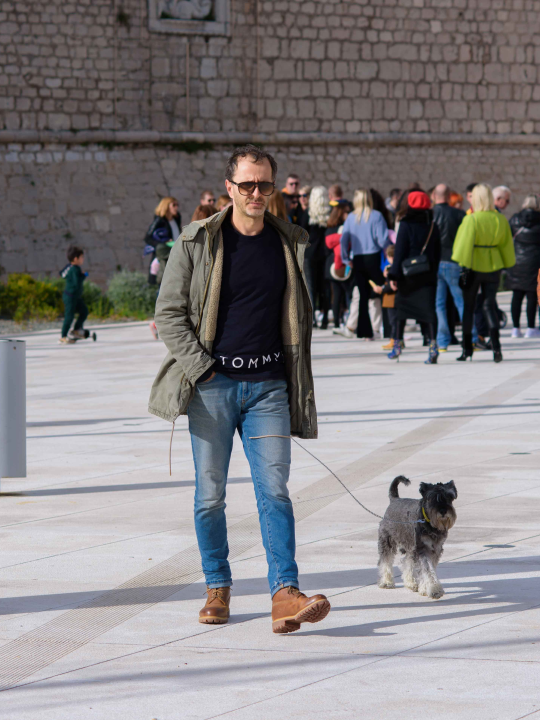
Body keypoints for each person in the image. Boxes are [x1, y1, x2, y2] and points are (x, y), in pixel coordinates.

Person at [149, 144, 329, 633]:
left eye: (264, 185)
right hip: (214, 387)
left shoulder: (288, 241)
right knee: (210, 496)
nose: (256, 193)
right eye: (247, 184)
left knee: (275, 490)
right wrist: (203, 370)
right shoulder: (197, 240)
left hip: (268, 387)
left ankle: (284, 593)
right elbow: (168, 314)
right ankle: (217, 585)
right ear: (229, 187)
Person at [451, 183, 514, 363]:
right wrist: (507, 263)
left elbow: (462, 246)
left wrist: (463, 263)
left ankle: (466, 350)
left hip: (473, 265)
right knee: (489, 306)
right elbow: (506, 244)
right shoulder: (499, 219)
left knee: (469, 308)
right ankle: (497, 349)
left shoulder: (471, 219)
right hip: (494, 265)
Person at [385, 190, 440, 363]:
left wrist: (393, 275)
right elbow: (437, 253)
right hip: (427, 275)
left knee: (401, 310)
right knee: (429, 311)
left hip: (407, 275)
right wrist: (432, 271)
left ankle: (397, 345)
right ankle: (433, 347)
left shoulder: (405, 224)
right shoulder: (432, 225)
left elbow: (399, 251)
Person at [338, 189, 391, 339]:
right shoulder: (376, 216)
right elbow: (382, 240)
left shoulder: (350, 218)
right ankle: (387, 329)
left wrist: (345, 259)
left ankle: (364, 331)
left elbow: (343, 241)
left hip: (358, 259)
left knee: (363, 296)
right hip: (373, 257)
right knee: (382, 293)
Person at [431, 184, 466, 351]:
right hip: (453, 260)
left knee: (439, 304)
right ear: (449, 195)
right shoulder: (459, 214)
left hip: (435, 262)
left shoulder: (430, 214)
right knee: (461, 301)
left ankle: (442, 341)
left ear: (434, 196)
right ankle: (471, 337)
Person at [506, 195, 540, 338]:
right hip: (534, 262)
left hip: (517, 261)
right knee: (532, 296)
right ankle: (531, 328)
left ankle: (515, 328)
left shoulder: (514, 219)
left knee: (516, 296)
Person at [305, 186, 332, 327]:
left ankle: (312, 318)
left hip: (310, 255)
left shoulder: (308, 215)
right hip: (326, 254)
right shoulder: (330, 214)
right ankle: (325, 317)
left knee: (311, 288)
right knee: (325, 287)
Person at [324, 205, 351, 330]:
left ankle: (336, 322)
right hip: (344, 265)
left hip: (331, 265)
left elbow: (327, 246)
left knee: (336, 295)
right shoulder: (345, 228)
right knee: (347, 293)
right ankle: (347, 320)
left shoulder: (329, 229)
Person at [146, 196, 181, 287]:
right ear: (166, 206)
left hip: (175, 252)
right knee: (164, 282)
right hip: (164, 254)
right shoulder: (159, 220)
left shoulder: (177, 219)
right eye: (174, 205)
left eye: (177, 205)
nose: (176, 207)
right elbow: (148, 237)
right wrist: (163, 244)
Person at [59, 246, 89, 344]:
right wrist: (84, 275)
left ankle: (76, 330)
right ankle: (63, 336)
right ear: (76, 259)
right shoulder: (75, 269)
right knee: (69, 316)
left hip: (75, 297)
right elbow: (77, 282)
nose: (83, 259)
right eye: (82, 257)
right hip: (70, 297)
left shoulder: (74, 268)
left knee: (84, 311)